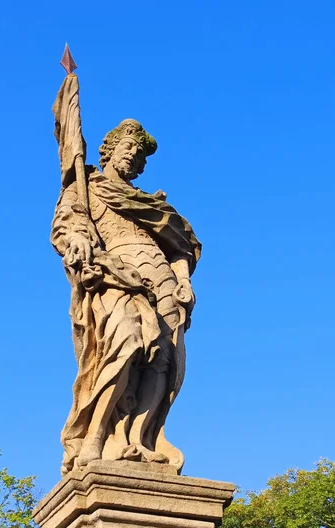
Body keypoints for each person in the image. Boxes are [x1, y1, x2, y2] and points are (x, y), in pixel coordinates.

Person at [51, 119, 201, 474]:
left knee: (161, 359)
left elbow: (180, 247)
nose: (133, 157)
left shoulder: (151, 204)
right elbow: (66, 227)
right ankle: (95, 438)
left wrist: (183, 279)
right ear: (110, 149)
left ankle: (139, 441)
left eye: (139, 154)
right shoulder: (85, 189)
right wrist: (77, 240)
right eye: (128, 148)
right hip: (115, 273)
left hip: (161, 278)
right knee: (126, 341)